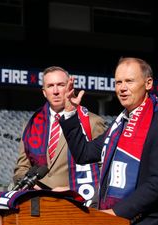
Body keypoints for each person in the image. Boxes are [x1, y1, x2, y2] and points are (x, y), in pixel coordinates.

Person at [60, 57, 158, 225]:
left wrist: (117, 212)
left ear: (148, 83)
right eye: (118, 82)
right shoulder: (117, 127)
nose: (122, 88)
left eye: (129, 81)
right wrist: (69, 113)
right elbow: (84, 153)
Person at [13, 66, 106, 203]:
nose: (55, 91)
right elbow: (21, 168)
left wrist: (74, 189)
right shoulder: (31, 125)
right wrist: (33, 186)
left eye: (60, 85)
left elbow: (104, 169)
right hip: (38, 202)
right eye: (50, 86)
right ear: (44, 92)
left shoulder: (92, 122)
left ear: (69, 88)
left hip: (76, 202)